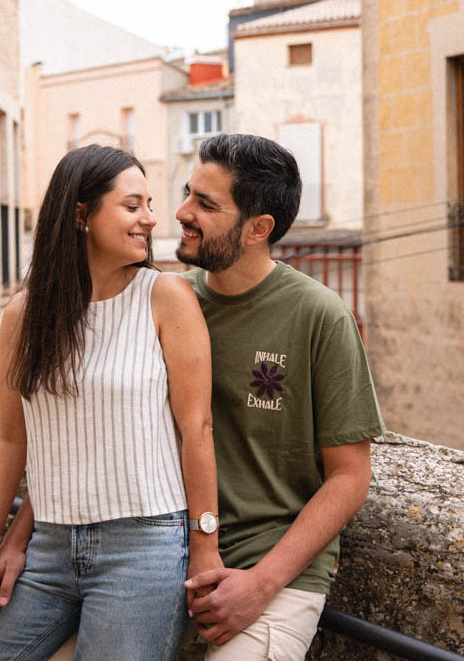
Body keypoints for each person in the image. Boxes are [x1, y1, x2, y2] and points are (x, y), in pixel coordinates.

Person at [0, 145, 221, 661]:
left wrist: (204, 546)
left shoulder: (167, 297)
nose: (151, 219)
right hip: (48, 546)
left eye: (149, 204)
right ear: (81, 216)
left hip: (144, 550)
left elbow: (196, 428)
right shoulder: (24, 313)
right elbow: (10, 437)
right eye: (132, 206)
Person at [174, 133, 385, 660]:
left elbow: (349, 476)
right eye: (187, 194)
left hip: (272, 574)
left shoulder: (319, 315)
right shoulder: (170, 302)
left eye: (205, 203)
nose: (182, 212)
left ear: (258, 229)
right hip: (165, 557)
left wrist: (261, 586)